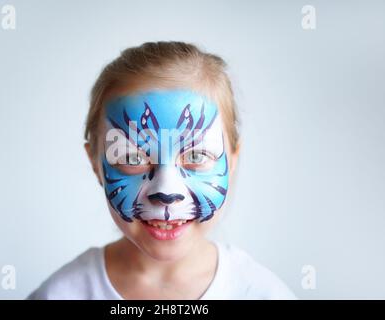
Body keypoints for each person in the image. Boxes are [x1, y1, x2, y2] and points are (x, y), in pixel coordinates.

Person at [28, 41, 296, 300]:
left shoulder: (261, 294)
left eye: (196, 155)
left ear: (232, 159)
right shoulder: (61, 294)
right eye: (132, 158)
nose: (166, 192)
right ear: (95, 164)